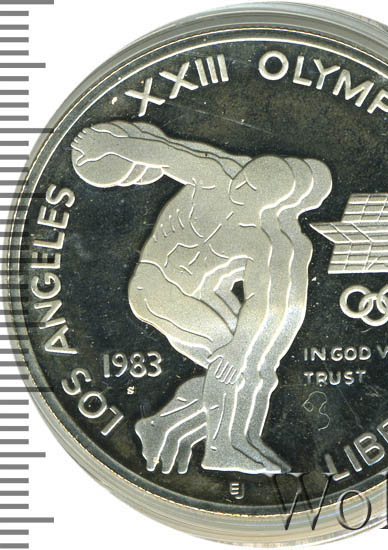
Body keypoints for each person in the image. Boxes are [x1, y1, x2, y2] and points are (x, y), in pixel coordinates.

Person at [71, 121, 332, 474]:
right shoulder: (216, 174)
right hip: (156, 286)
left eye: (260, 189)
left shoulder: (272, 242)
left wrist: (247, 353)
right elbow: (166, 154)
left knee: (255, 369)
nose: (245, 188)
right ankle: (221, 447)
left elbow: (276, 308)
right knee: (228, 359)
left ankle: (181, 429)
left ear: (280, 204)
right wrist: (111, 145)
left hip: (201, 294)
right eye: (250, 177)